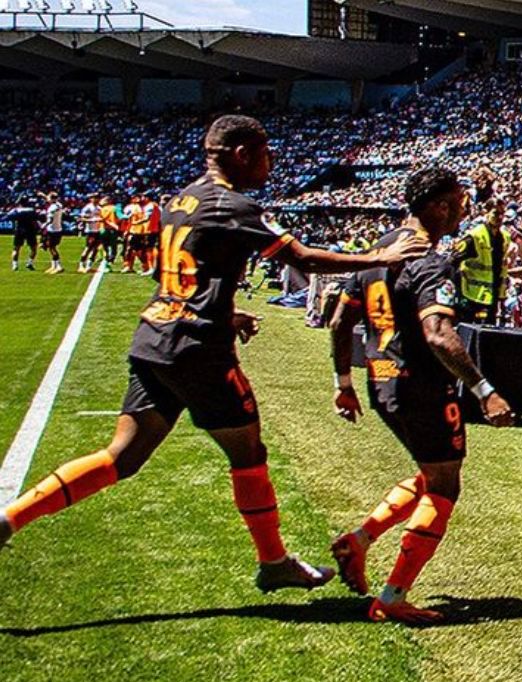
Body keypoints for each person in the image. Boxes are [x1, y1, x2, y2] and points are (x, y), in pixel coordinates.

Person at [0, 115, 430, 594]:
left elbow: (183, 280)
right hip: (197, 352)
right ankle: (273, 561)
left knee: (121, 456)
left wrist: (228, 313)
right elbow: (304, 259)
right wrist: (381, 258)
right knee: (248, 453)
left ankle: (10, 519)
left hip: (154, 339)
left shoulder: (180, 200)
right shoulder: (233, 205)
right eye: (265, 155)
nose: (270, 165)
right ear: (242, 154)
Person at [329, 167, 514, 625]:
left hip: (381, 380)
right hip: (422, 385)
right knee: (445, 484)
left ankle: (360, 540)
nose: (464, 208)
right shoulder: (429, 262)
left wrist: (343, 384)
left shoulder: (379, 249)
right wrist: (485, 390)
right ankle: (393, 595)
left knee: (432, 472)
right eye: (459, 199)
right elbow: (438, 335)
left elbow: (338, 321)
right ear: (438, 205)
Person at [453, 197, 511, 324]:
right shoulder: (475, 236)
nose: (500, 217)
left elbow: (503, 268)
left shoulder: (505, 238)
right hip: (471, 296)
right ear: (486, 213)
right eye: (496, 213)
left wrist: (502, 296)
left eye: (502, 214)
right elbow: (453, 260)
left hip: (492, 296)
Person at [7, 195, 40, 271]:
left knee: (16, 248)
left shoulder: (16, 210)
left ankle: (15, 265)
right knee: (34, 248)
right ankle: (29, 263)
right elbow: (37, 218)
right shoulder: (32, 210)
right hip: (30, 230)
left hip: (19, 230)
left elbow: (9, 216)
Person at [39, 190, 64, 274]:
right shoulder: (59, 205)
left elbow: (50, 219)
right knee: (52, 247)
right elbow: (51, 199)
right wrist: (43, 195)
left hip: (52, 229)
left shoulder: (51, 208)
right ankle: (53, 266)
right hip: (58, 229)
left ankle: (58, 266)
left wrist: (44, 225)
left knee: (52, 248)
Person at [77, 193, 103, 273]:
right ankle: (81, 265)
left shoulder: (99, 208)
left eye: (97, 198)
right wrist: (92, 220)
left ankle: (89, 266)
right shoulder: (88, 208)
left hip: (98, 230)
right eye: (94, 198)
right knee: (88, 248)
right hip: (90, 230)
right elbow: (81, 218)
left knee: (95, 249)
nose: (96, 199)